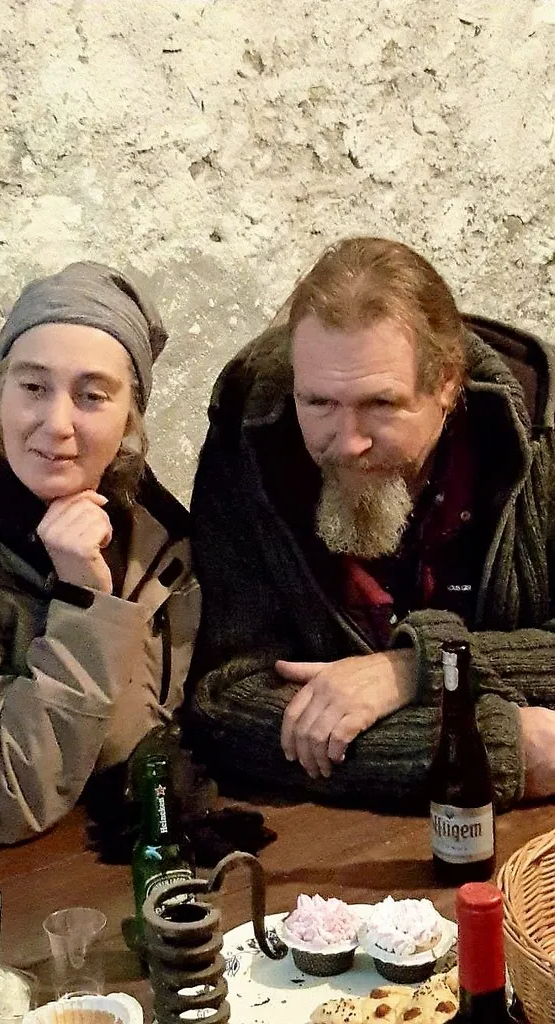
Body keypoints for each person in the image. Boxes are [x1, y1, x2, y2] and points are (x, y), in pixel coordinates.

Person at [185, 236, 555, 813]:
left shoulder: (540, 437)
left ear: (447, 382)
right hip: (336, 839)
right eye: (318, 404)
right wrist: (487, 750)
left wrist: (412, 667)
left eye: (380, 405)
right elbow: (226, 700)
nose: (348, 442)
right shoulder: (249, 434)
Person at [0, 262, 200, 844]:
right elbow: (1, 799)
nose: (57, 424)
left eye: (92, 396)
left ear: (130, 418)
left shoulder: (161, 541)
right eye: (33, 388)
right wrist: (84, 601)